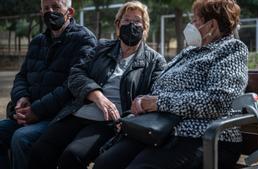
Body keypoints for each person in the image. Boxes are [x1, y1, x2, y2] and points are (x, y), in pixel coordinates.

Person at [93, 0, 248, 169]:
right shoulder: (189, 52)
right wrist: (142, 103)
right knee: (105, 163)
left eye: (195, 20)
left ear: (211, 25)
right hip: (162, 129)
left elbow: (218, 100)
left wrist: (157, 103)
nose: (191, 25)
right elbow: (160, 87)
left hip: (203, 136)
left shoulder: (232, 49)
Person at [28, 1, 166, 169]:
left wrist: (130, 116)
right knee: (40, 150)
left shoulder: (155, 61)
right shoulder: (101, 47)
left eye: (137, 21)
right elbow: (76, 74)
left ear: (145, 27)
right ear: (118, 24)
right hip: (77, 112)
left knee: (72, 156)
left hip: (108, 122)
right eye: (126, 20)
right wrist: (97, 95)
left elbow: (153, 96)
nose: (131, 25)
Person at [0, 0, 97, 169]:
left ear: (70, 11)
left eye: (56, 7)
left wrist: (37, 111)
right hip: (30, 113)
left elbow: (73, 85)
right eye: (46, 8)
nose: (50, 12)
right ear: (40, 13)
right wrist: (21, 98)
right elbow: (22, 76)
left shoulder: (84, 40)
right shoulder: (38, 41)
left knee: (21, 138)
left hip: (60, 117)